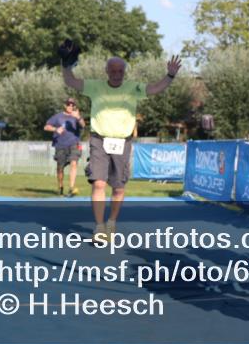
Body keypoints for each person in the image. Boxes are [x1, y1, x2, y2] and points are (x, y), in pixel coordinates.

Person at [58, 39, 181, 243]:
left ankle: (112, 222)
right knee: (98, 183)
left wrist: (170, 75)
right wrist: (65, 65)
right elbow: (71, 81)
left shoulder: (133, 88)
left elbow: (156, 88)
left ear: (124, 73)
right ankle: (99, 228)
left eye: (120, 72)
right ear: (107, 72)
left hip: (122, 143)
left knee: (119, 188)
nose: (116, 75)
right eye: (112, 71)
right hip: (99, 141)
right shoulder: (95, 87)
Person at [44, 97, 85, 197]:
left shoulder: (76, 116)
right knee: (60, 168)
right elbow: (46, 127)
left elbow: (83, 125)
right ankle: (60, 186)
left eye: (72, 105)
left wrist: (78, 117)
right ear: (65, 105)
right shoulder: (57, 117)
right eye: (68, 104)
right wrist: (55, 129)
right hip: (60, 145)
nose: (70, 106)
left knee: (74, 163)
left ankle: (71, 188)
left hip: (74, 144)